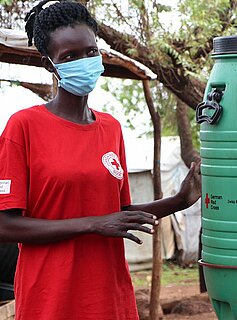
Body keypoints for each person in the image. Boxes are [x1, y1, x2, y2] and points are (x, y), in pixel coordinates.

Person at [0, 1, 202, 319]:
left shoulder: (110, 128)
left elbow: (118, 215)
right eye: (69, 56)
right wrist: (94, 224)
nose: (84, 61)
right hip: (51, 298)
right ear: (49, 64)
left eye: (90, 51)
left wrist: (179, 201)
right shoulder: (23, 127)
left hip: (108, 295)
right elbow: (5, 226)